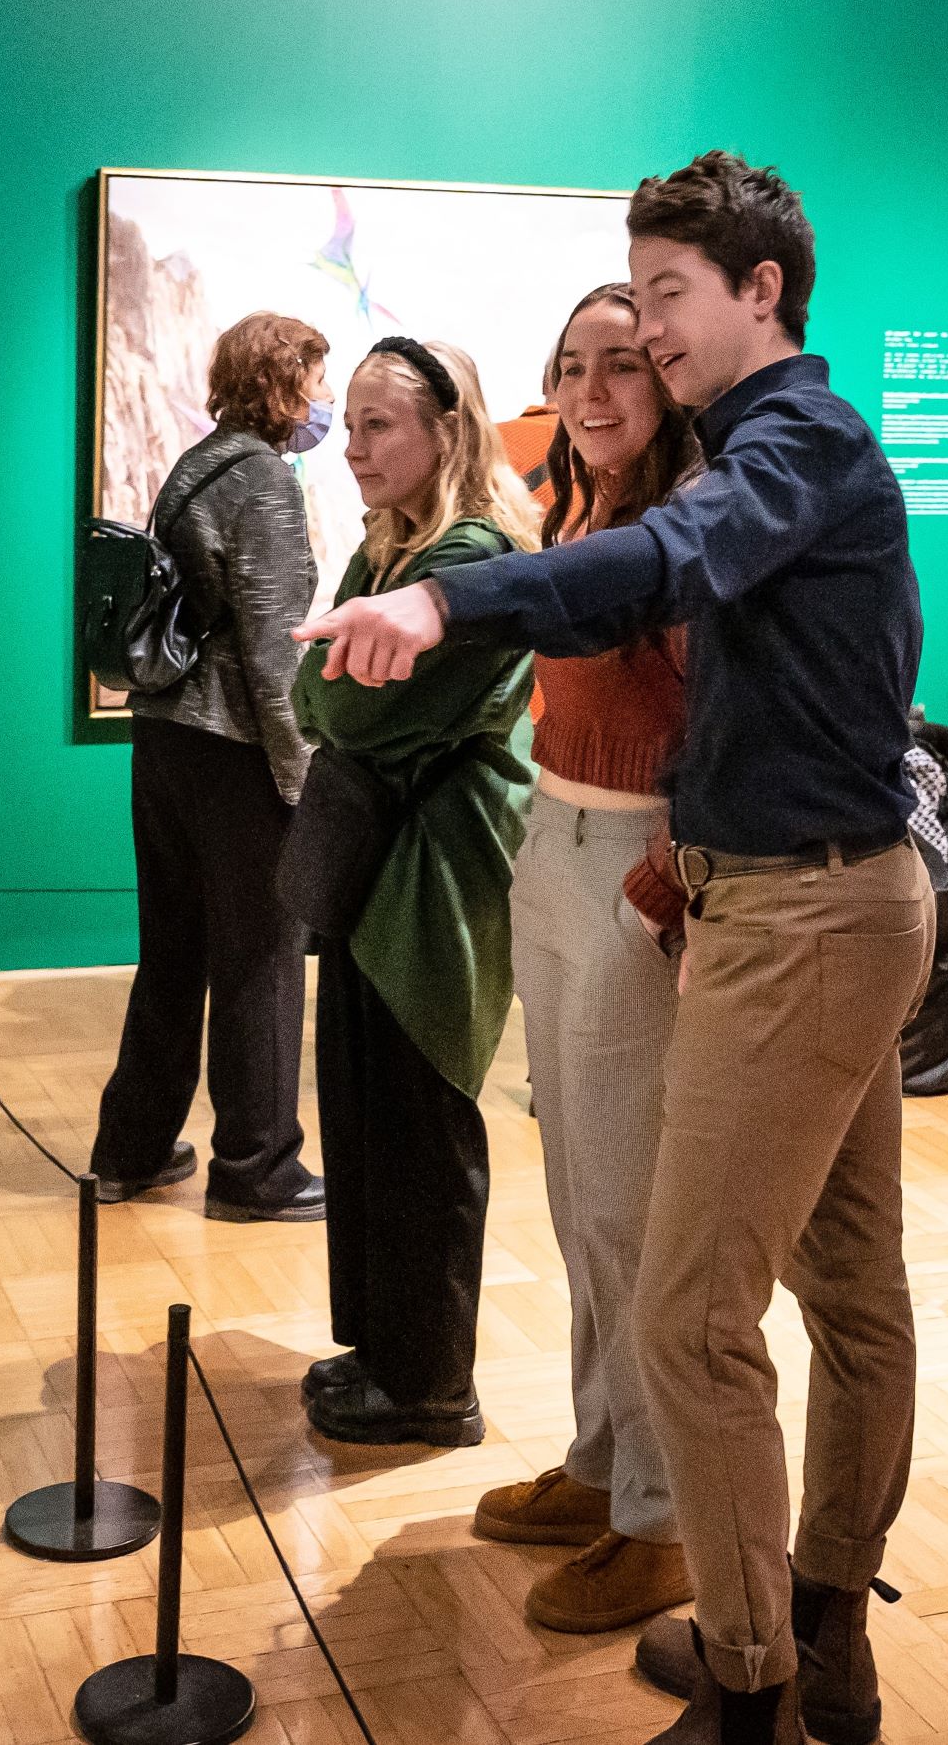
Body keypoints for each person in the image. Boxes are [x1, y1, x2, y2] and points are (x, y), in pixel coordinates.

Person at [298, 151, 932, 1745]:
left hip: (806, 909)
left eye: (665, 298)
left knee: (687, 1310)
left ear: (759, 291)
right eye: (632, 298)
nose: (644, 335)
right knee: (848, 1287)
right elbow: (638, 586)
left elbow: (661, 564)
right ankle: (822, 1632)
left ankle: (747, 1675)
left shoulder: (801, 438)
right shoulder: (762, 446)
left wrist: (451, 607)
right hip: (803, 896)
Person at [469, 284, 704, 1636]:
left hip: (631, 862)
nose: (594, 390)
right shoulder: (582, 507)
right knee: (574, 1195)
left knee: (632, 1211)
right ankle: (603, 1459)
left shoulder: (683, 534)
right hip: (549, 835)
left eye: (625, 364)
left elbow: (733, 720)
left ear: (672, 377)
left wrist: (662, 883)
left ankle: (665, 1517)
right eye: (573, 367)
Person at [291, 337, 541, 1448]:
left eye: (378, 424)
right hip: (382, 869)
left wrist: (339, 688)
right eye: (348, 423)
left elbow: (344, 714)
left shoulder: (474, 562)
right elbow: (314, 689)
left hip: (437, 884)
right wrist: (336, 683)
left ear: (448, 428)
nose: (353, 447)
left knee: (424, 1132)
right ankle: (384, 1354)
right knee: (366, 1119)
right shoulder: (388, 549)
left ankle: (436, 1386)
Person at [88, 311, 331, 1224]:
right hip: (234, 748)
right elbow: (274, 651)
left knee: (174, 951)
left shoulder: (197, 463)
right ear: (285, 381)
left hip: (164, 739)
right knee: (264, 959)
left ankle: (132, 1147)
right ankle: (256, 1167)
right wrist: (301, 779)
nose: (323, 400)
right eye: (315, 376)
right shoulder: (265, 478)